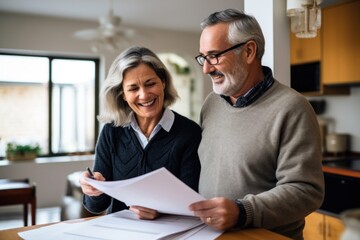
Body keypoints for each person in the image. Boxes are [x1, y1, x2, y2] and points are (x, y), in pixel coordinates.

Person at [188, 9, 324, 240]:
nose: (206, 68)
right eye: (203, 57)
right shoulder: (211, 103)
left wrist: (242, 212)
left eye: (214, 56)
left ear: (249, 51)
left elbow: (306, 191)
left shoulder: (293, 107)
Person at [80, 46, 201, 220]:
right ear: (122, 94)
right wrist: (93, 190)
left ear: (163, 83)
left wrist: (160, 211)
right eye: (133, 88)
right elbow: (96, 207)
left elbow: (192, 202)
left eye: (150, 83)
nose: (144, 95)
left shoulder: (189, 133)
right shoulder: (111, 131)